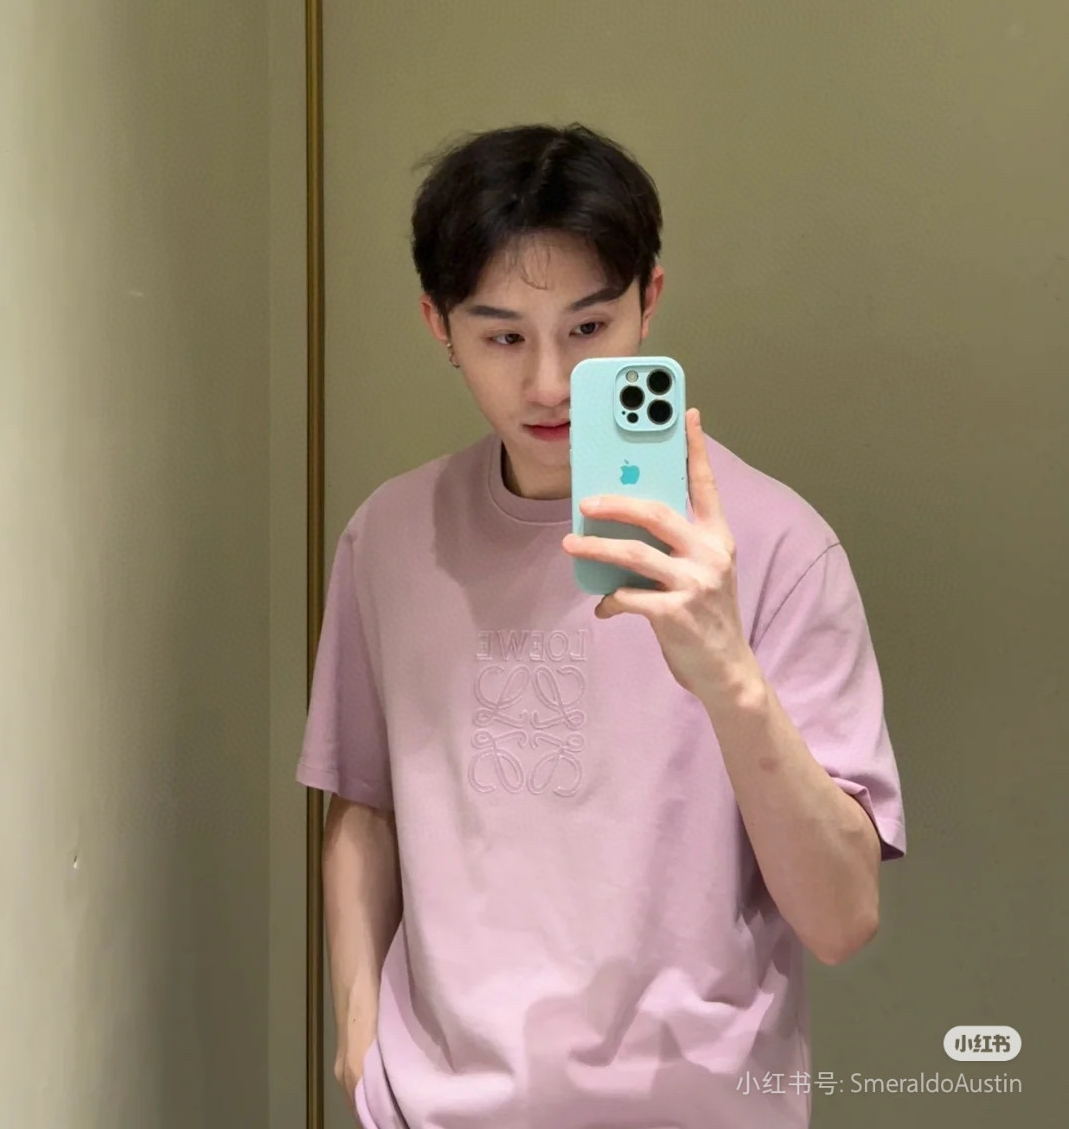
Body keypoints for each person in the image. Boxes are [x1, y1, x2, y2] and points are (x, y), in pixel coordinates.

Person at [296, 123, 906, 1129]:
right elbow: (363, 805)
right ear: (437, 323)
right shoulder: (390, 537)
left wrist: (728, 675)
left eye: (588, 327)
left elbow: (843, 920)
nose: (547, 384)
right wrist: (360, 1032)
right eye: (502, 336)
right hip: (429, 1108)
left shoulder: (778, 545)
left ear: (647, 301)